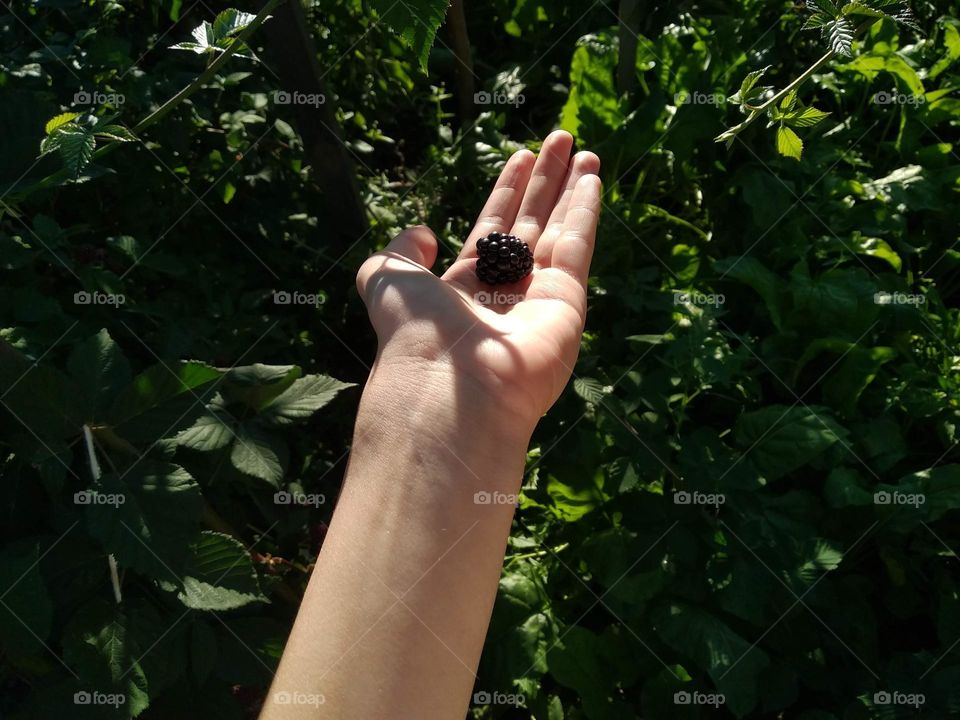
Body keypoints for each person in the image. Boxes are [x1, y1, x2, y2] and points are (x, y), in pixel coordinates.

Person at [261, 130, 601, 719]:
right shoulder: (501, 274)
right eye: (503, 258)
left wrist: (456, 400)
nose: (504, 259)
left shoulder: (500, 264)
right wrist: (448, 390)